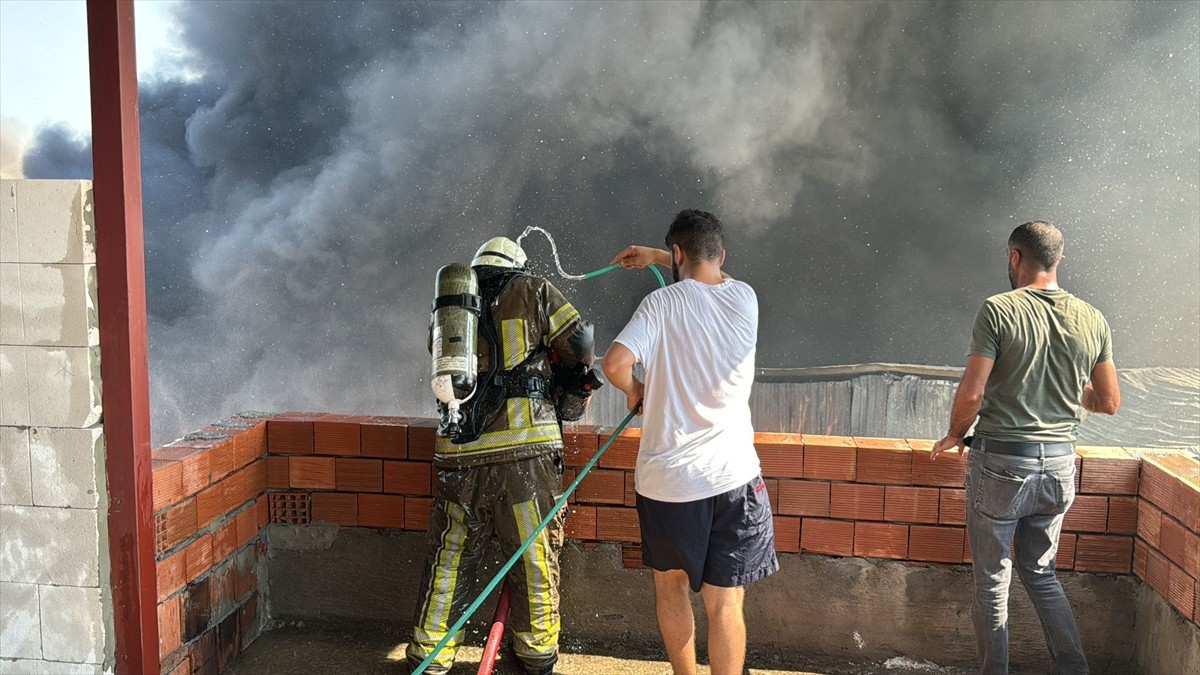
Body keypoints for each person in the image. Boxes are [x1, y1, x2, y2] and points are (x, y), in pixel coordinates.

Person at [930, 220, 1120, 675]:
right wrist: (1080, 398)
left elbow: (973, 393)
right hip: (1059, 466)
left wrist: (955, 434)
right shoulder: (1092, 317)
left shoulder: (999, 310)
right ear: (1058, 260)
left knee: (993, 581)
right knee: (1041, 573)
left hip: (1001, 463)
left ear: (1015, 257)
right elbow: (1110, 401)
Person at [407, 236, 598, 675]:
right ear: (518, 264)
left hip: (457, 453)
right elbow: (582, 345)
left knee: (451, 553)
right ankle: (535, 654)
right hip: (524, 454)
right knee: (532, 553)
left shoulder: (451, 310)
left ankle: (429, 654)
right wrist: (571, 396)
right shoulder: (534, 289)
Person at [603, 209, 777, 675]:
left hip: (669, 485)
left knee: (672, 589)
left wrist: (634, 391)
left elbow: (615, 363)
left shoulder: (660, 305)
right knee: (725, 604)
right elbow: (715, 273)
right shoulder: (745, 298)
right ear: (721, 254)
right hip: (734, 477)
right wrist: (666, 255)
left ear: (677, 253)